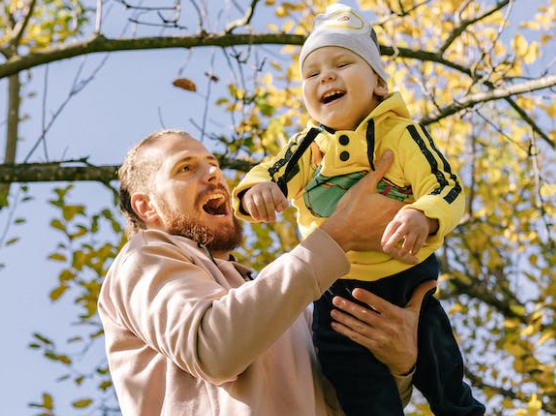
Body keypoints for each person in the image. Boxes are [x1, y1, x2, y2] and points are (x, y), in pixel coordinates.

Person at [232, 4, 485, 416]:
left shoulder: (400, 134)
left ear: (379, 84)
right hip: (337, 289)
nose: (325, 76)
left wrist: (423, 214)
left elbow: (445, 186)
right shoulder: (308, 147)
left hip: (407, 280)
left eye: (342, 62)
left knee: (443, 372)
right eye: (311, 73)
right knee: (357, 389)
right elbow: (269, 173)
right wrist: (255, 191)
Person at [98, 129, 436, 416]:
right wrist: (337, 234)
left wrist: (400, 365)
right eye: (185, 168)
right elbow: (213, 348)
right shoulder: (143, 258)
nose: (214, 175)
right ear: (147, 206)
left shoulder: (286, 304)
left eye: (213, 165)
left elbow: (343, 403)